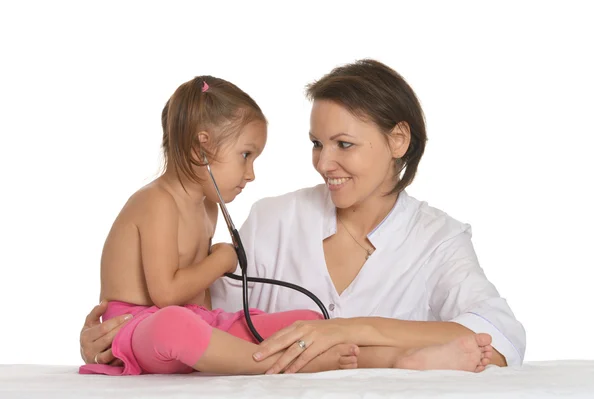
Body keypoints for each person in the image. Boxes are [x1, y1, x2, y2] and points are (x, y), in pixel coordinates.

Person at [81, 60, 522, 375]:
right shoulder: (275, 218)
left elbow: (498, 335)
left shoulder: (437, 237)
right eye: (316, 143)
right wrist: (110, 343)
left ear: (398, 140)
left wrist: (349, 330)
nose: (323, 162)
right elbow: (204, 321)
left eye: (343, 144)